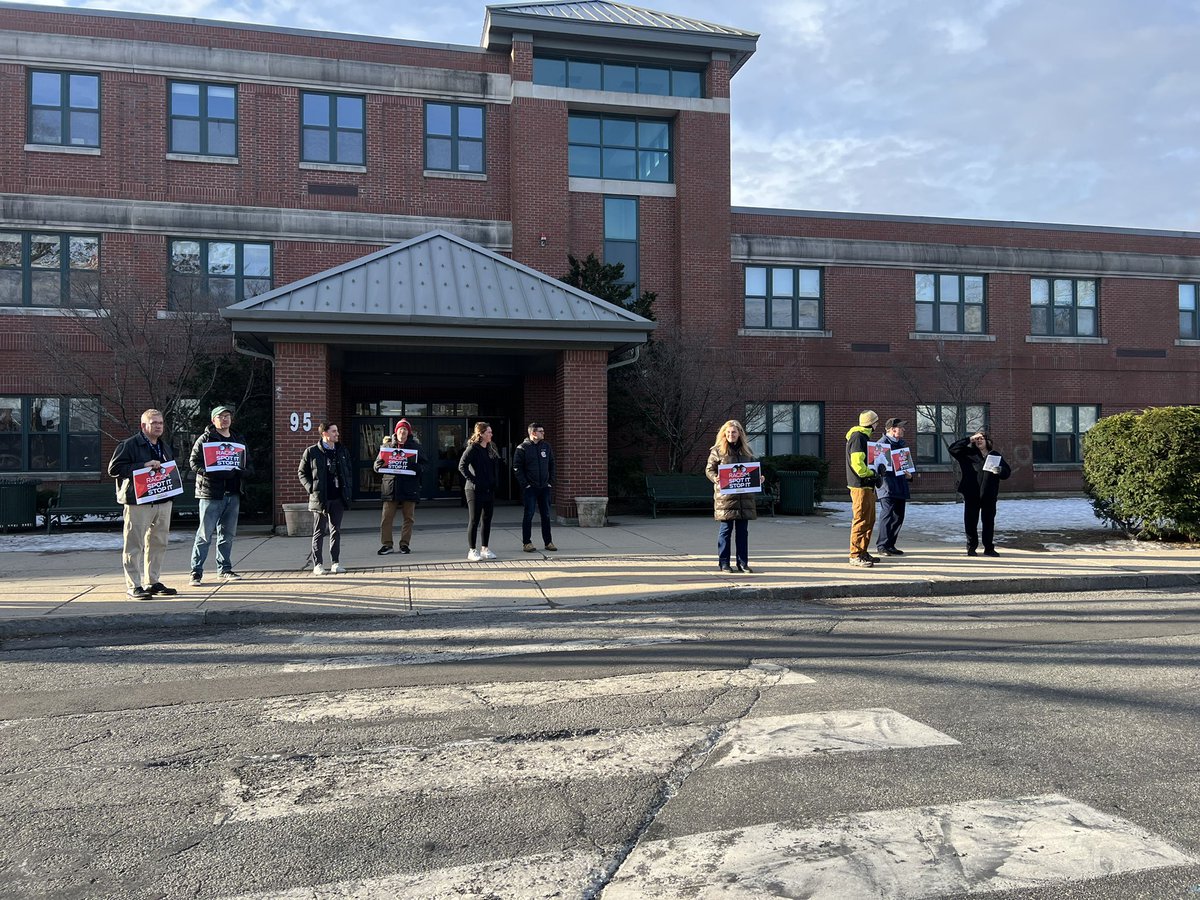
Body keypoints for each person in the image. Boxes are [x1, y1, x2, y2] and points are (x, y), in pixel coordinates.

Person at [108, 408, 178, 598]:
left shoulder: (164, 446)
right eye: (154, 423)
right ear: (143, 425)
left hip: (162, 500)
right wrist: (142, 466)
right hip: (138, 502)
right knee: (134, 544)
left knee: (159, 542)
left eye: (160, 423)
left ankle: (152, 582)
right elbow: (114, 469)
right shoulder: (129, 445)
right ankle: (133, 586)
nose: (158, 426)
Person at [188, 405, 248, 585]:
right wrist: (211, 472)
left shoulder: (238, 439)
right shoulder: (205, 439)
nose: (224, 419)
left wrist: (243, 471)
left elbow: (248, 463)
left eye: (227, 416)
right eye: (220, 416)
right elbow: (194, 462)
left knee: (227, 535)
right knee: (204, 535)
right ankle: (196, 572)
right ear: (213, 420)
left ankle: (224, 569)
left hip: (233, 493)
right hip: (210, 494)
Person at [298, 422, 353, 575]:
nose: (337, 434)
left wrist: (347, 489)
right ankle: (318, 564)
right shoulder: (312, 452)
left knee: (336, 531)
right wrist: (312, 489)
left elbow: (348, 471)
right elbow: (302, 473)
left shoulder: (341, 450)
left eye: (337, 431)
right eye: (334, 431)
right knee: (319, 531)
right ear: (325, 433)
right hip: (321, 498)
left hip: (338, 497)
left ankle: (335, 563)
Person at [705, 419, 758, 573]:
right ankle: (724, 563)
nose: (731, 435)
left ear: (739, 433)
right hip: (725, 499)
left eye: (733, 432)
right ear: (724, 434)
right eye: (728, 432)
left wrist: (759, 478)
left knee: (742, 533)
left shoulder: (747, 451)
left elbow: (753, 470)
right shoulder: (717, 451)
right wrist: (715, 477)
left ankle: (743, 563)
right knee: (725, 531)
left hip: (744, 499)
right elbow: (709, 469)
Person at [949, 429, 1012, 557]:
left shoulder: (995, 455)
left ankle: (988, 548)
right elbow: (952, 449)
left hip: (989, 494)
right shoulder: (968, 453)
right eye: (976, 439)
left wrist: (1000, 470)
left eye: (981, 438)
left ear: (988, 441)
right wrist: (969, 439)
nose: (979, 441)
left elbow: (1007, 472)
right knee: (971, 521)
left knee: (988, 521)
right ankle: (971, 547)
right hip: (972, 493)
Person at [374, 418, 422, 555]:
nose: (402, 431)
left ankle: (404, 544)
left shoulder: (416, 447)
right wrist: (378, 465)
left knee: (409, 518)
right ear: (396, 431)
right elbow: (376, 465)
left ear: (408, 432)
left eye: (405, 429)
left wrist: (416, 467)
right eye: (400, 429)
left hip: (409, 487)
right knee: (386, 518)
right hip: (391, 487)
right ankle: (387, 545)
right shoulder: (387, 447)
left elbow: (425, 466)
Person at [458, 421, 501, 562]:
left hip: (489, 489)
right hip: (474, 490)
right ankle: (472, 550)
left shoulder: (490, 448)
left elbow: (494, 467)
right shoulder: (472, 449)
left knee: (487, 519)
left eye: (491, 432)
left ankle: (485, 549)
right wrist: (474, 480)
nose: (491, 434)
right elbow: (462, 466)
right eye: (488, 432)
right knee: (474, 519)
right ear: (481, 434)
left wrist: (494, 482)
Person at [845, 409, 881, 567]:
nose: (877, 425)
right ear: (872, 423)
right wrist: (872, 473)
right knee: (861, 520)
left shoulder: (864, 437)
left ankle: (863, 551)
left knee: (869, 520)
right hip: (860, 485)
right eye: (876, 422)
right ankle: (855, 555)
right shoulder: (858, 437)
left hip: (867, 485)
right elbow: (858, 465)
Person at [513, 421, 556, 552]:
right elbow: (517, 467)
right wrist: (525, 484)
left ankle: (548, 542)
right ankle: (527, 543)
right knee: (529, 514)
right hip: (530, 488)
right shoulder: (522, 448)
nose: (543, 433)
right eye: (540, 431)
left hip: (544, 487)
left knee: (546, 515)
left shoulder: (546, 447)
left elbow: (552, 464)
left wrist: (550, 481)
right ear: (533, 433)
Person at [875, 416, 913, 557]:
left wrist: (909, 475)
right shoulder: (881, 445)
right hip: (887, 486)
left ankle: (890, 545)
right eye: (901, 427)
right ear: (892, 429)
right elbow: (878, 468)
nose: (903, 430)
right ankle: (882, 545)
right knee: (888, 515)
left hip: (900, 485)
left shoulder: (901, 444)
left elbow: (904, 465)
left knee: (898, 516)